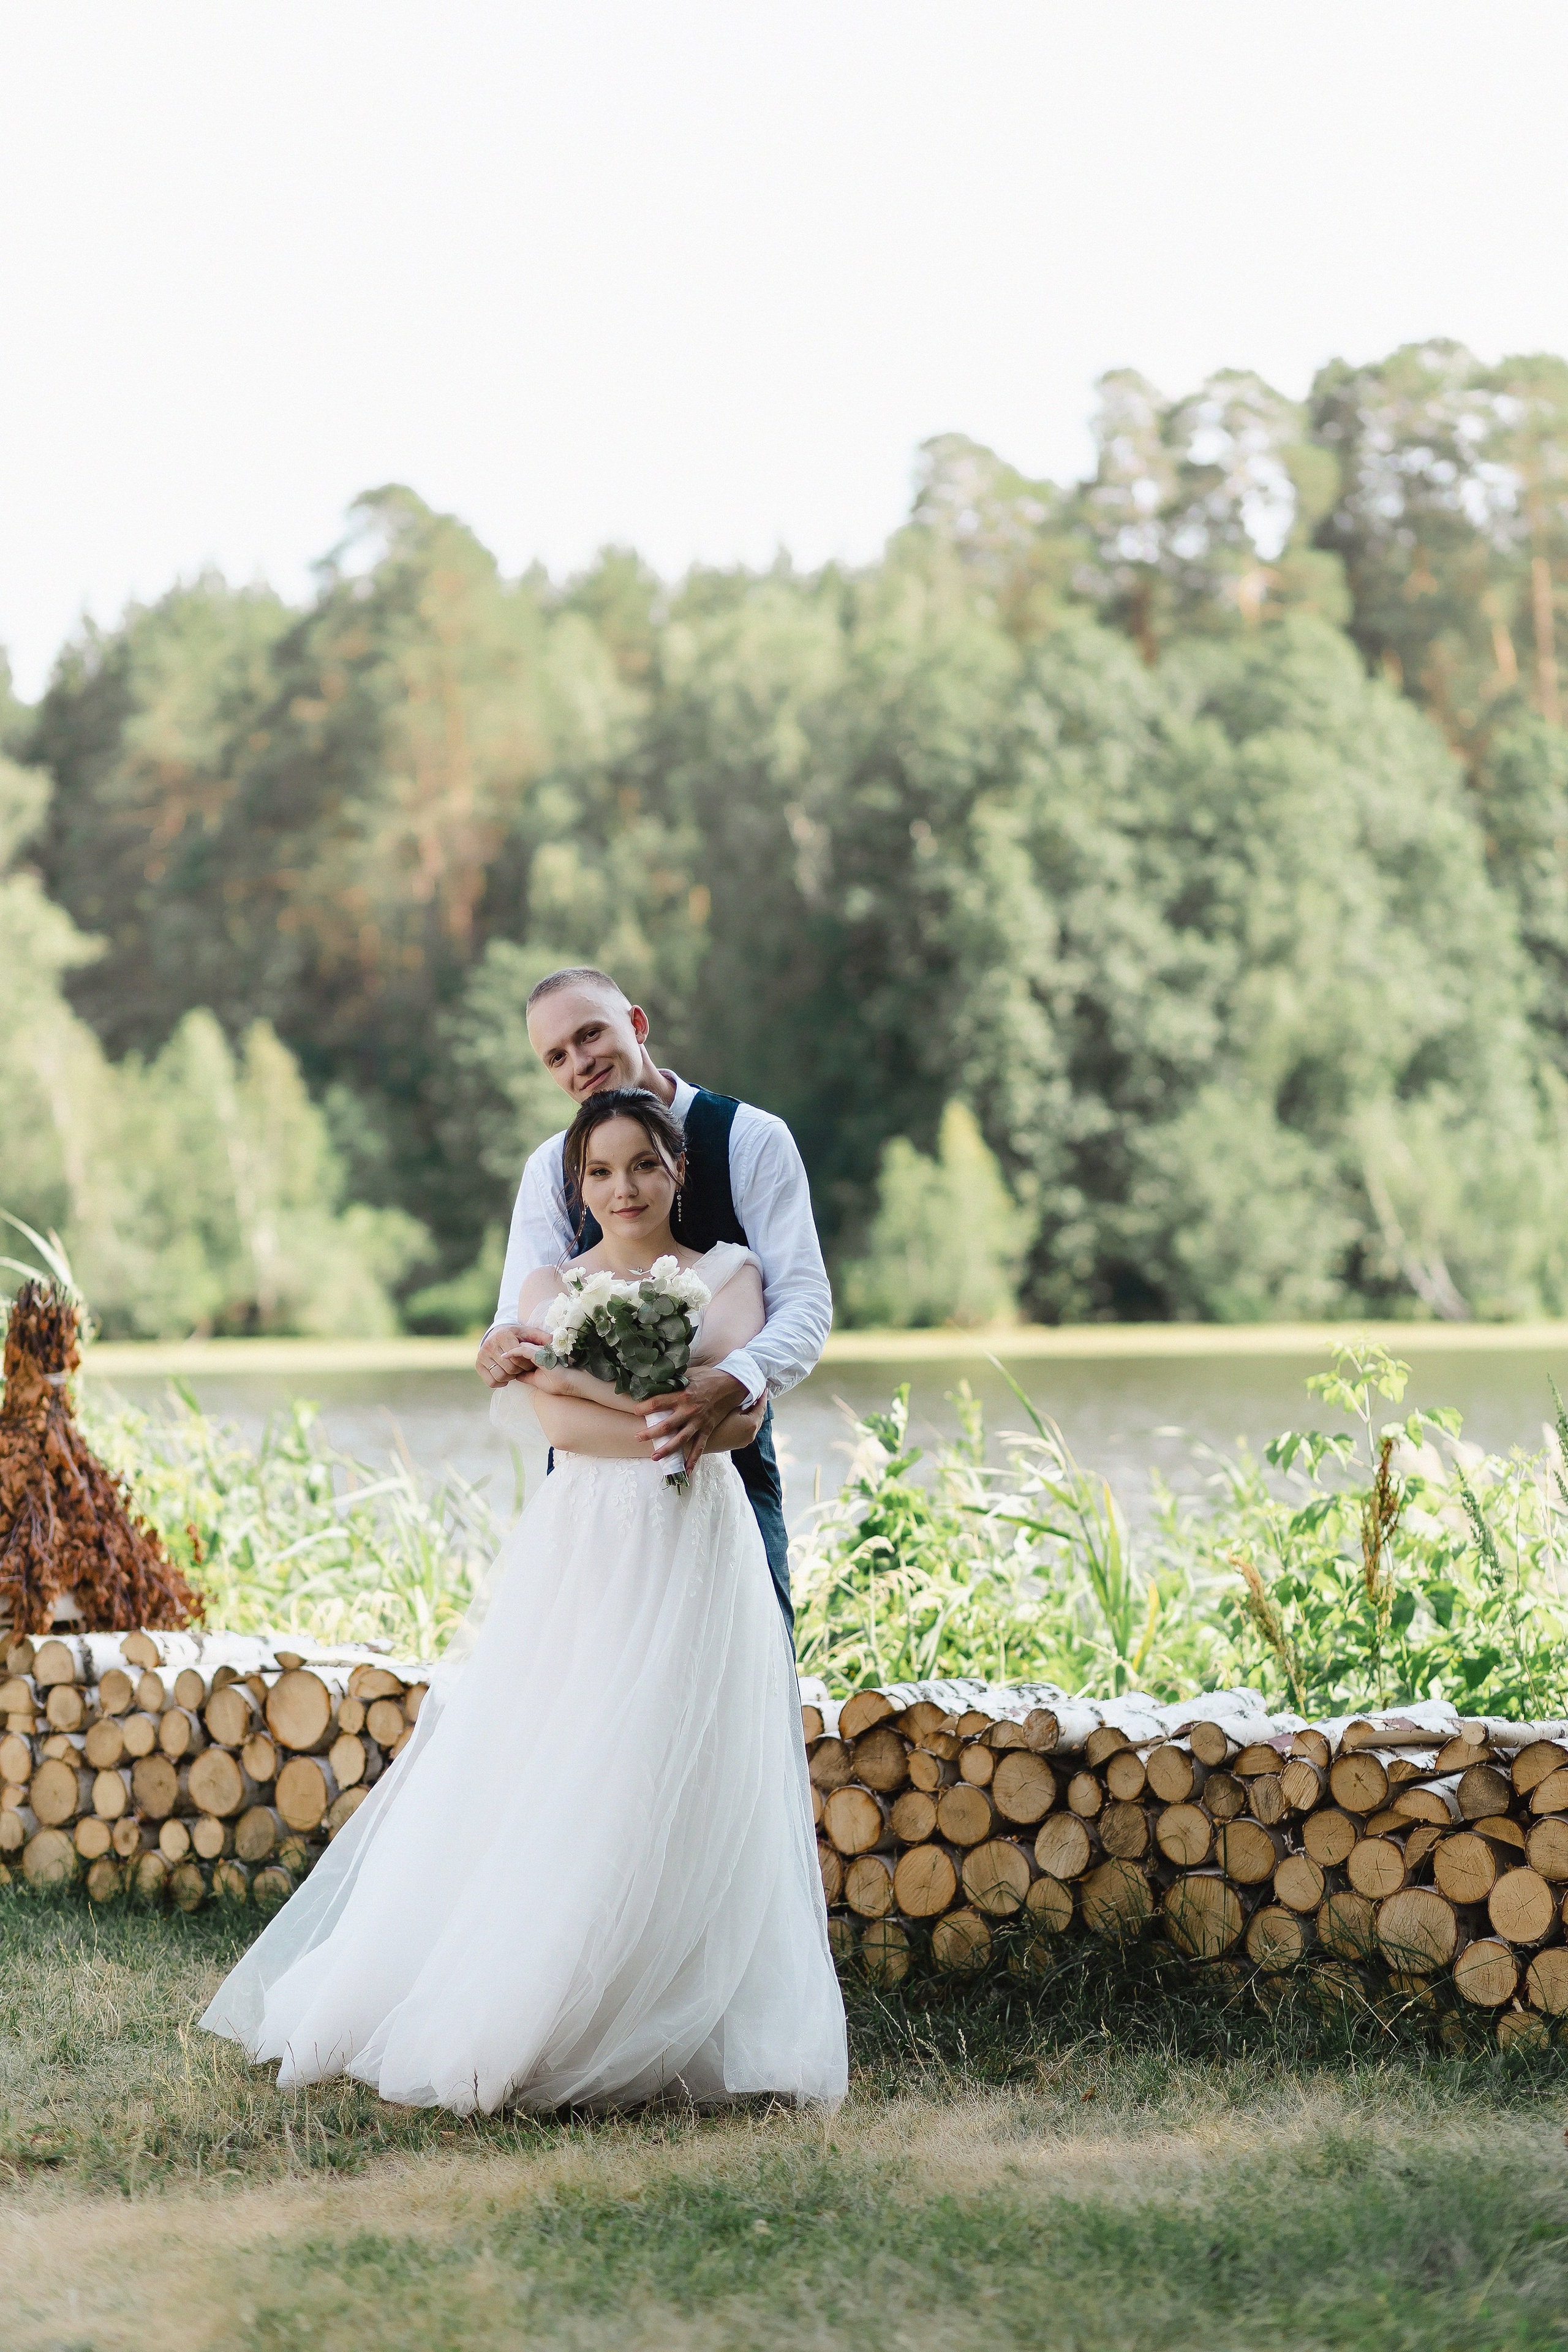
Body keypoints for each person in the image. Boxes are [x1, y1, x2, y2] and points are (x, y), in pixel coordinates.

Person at [200, 1088, 847, 2114]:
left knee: (686, 1759)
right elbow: (569, 1427)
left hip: (697, 1549)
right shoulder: (552, 1282)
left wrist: (584, 1382)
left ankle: (684, 2014)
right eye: (599, 1172)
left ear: (679, 1168)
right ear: (577, 1186)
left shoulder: (731, 1273)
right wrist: (643, 1396)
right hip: (587, 1547)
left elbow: (724, 1427)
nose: (623, 1188)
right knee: (572, 1752)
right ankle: (549, 2006)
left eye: (643, 1165)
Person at [476, 965, 831, 1626]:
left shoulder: (750, 1139)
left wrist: (734, 1378)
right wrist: (498, 1345)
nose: (579, 1064)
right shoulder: (550, 1168)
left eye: (590, 1035)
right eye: (556, 1056)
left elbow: (805, 1302)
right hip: (593, 1485)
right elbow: (519, 1316)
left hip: (725, 1455)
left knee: (744, 1669)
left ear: (636, 1025)